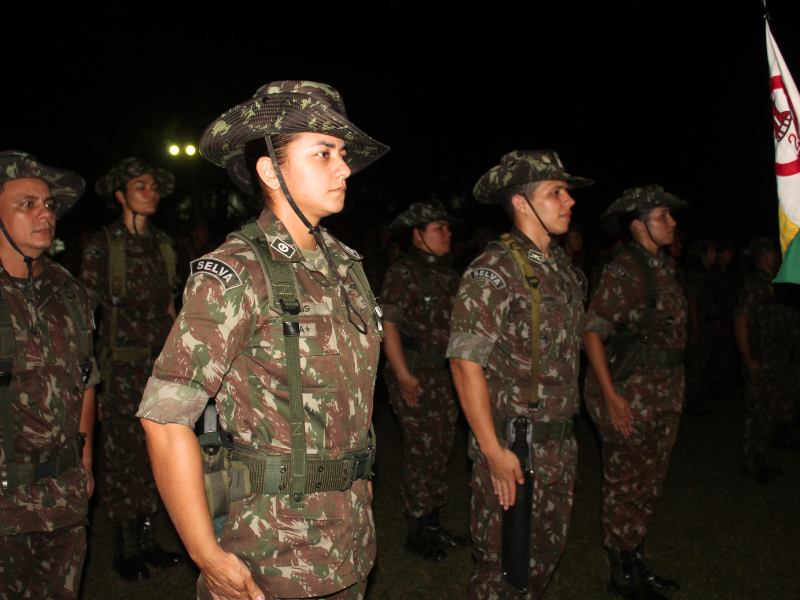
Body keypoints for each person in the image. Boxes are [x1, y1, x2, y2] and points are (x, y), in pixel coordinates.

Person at [137, 80, 389, 600]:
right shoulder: (237, 272)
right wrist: (207, 555)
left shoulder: (345, 266)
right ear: (271, 171)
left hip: (350, 545)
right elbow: (164, 419)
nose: (344, 168)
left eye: (342, 154)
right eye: (323, 154)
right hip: (270, 556)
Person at [447, 150, 590, 599]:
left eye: (567, 192)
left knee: (542, 562)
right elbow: (464, 361)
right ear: (523, 204)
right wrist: (492, 451)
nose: (569, 201)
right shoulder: (495, 269)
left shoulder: (564, 272)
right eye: (556, 192)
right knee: (503, 571)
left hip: (558, 445)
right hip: (514, 449)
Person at [0, 151, 99, 599]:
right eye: (27, 203)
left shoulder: (68, 289)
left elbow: (87, 377)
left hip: (63, 495)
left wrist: (86, 460)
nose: (45, 213)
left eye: (49, 205)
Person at [79, 157, 182, 580]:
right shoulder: (102, 246)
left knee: (155, 455)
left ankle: (146, 540)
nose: (152, 192)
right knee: (122, 458)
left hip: (159, 371)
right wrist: (91, 384)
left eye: (155, 186)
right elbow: (84, 316)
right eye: (142, 185)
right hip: (119, 371)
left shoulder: (164, 244)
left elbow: (173, 309)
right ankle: (125, 549)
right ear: (121, 194)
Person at [583, 185, 687, 600]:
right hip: (630, 395)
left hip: (662, 393)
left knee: (649, 482)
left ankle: (636, 561)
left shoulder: (663, 266)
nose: (673, 222)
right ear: (639, 224)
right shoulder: (626, 269)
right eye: (664, 215)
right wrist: (610, 397)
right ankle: (622, 573)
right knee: (626, 483)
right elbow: (592, 331)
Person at [379, 200, 464, 561]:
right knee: (420, 452)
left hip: (445, 378)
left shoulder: (448, 272)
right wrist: (403, 376)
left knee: (440, 449)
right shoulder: (404, 271)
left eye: (447, 227)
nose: (447, 234)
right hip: (416, 376)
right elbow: (389, 323)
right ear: (417, 234)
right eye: (438, 228)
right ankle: (417, 530)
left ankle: (433, 522)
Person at [734, 236, 800, 483]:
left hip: (779, 359)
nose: (778, 257)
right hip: (762, 359)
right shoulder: (755, 284)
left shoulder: (776, 283)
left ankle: (761, 454)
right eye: (774, 253)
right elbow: (741, 321)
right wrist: (749, 360)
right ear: (763, 257)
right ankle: (752, 462)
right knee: (757, 412)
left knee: (769, 408)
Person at [683, 240, 720, 414]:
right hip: (700, 323)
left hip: (708, 322)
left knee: (703, 362)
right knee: (695, 363)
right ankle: (691, 400)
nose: (715, 254)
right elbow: (693, 300)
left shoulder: (709, 272)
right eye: (711, 250)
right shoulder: (697, 273)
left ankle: (697, 398)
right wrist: (696, 326)